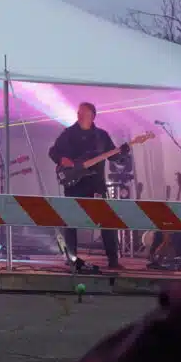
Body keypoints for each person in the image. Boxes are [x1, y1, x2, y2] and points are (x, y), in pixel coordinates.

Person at [49, 102, 126, 269]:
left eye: (83, 114)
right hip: (74, 184)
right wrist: (62, 159)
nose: (79, 116)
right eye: (78, 113)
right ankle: (72, 259)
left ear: (92, 116)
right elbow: (53, 152)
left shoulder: (102, 136)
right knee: (71, 222)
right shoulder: (68, 134)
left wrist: (122, 155)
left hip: (97, 184)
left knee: (106, 220)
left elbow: (112, 156)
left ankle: (113, 260)